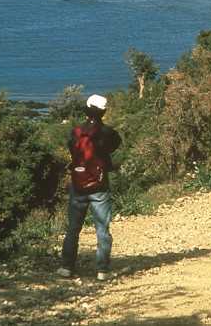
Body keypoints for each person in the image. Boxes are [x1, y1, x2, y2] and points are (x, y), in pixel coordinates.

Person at [56, 94, 122, 281]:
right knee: (102, 228)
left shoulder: (76, 132)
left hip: (78, 185)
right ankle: (102, 270)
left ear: (87, 110)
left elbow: (72, 151)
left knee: (73, 228)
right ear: (103, 112)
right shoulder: (109, 133)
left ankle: (67, 267)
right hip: (99, 185)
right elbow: (114, 147)